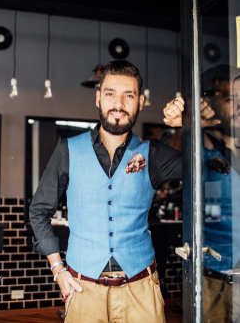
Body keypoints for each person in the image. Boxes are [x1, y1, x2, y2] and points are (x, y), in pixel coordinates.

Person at [30, 60, 184, 322]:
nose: (119, 103)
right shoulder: (67, 150)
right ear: (98, 98)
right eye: (111, 93)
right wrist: (58, 269)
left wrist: (189, 126)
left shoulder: (153, 154)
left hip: (142, 289)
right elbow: (39, 211)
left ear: (140, 102)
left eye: (129, 95)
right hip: (84, 288)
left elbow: (214, 169)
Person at [163, 65, 240, 323]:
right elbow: (172, 157)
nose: (239, 105)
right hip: (215, 281)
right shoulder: (206, 146)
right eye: (231, 99)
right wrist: (185, 122)